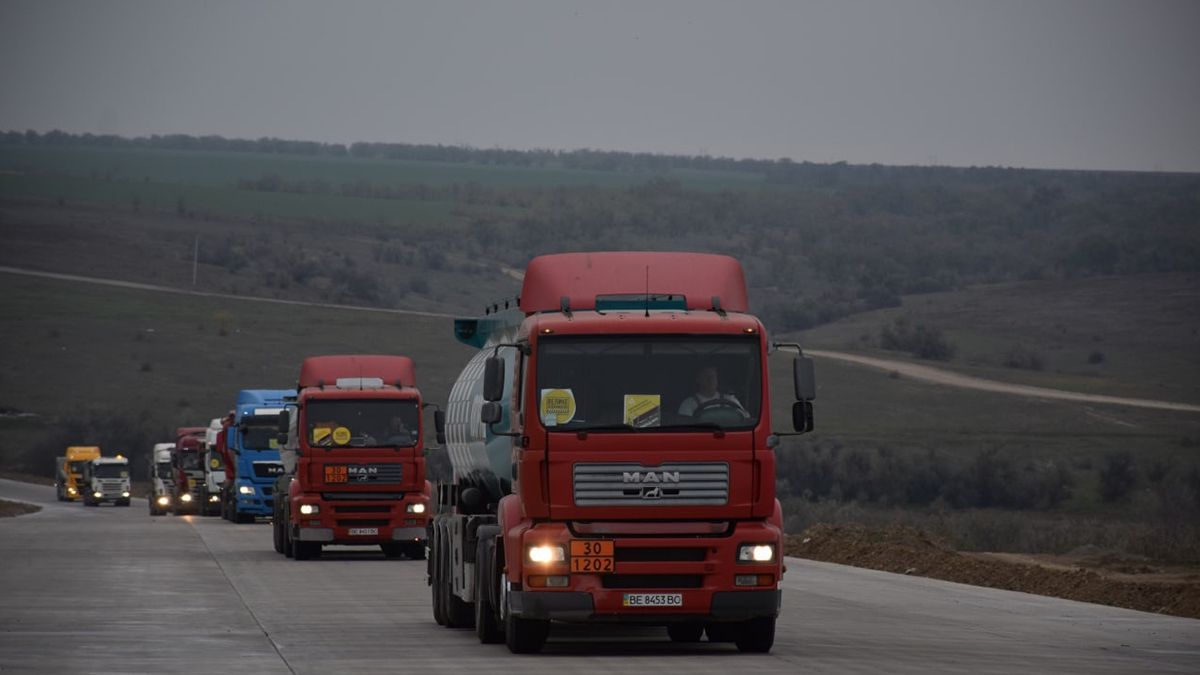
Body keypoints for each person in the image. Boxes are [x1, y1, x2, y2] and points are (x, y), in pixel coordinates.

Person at [677, 366, 748, 417]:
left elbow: (745, 418)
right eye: (706, 376)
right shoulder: (688, 404)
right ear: (698, 380)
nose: (711, 380)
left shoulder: (730, 400)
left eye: (713, 376)